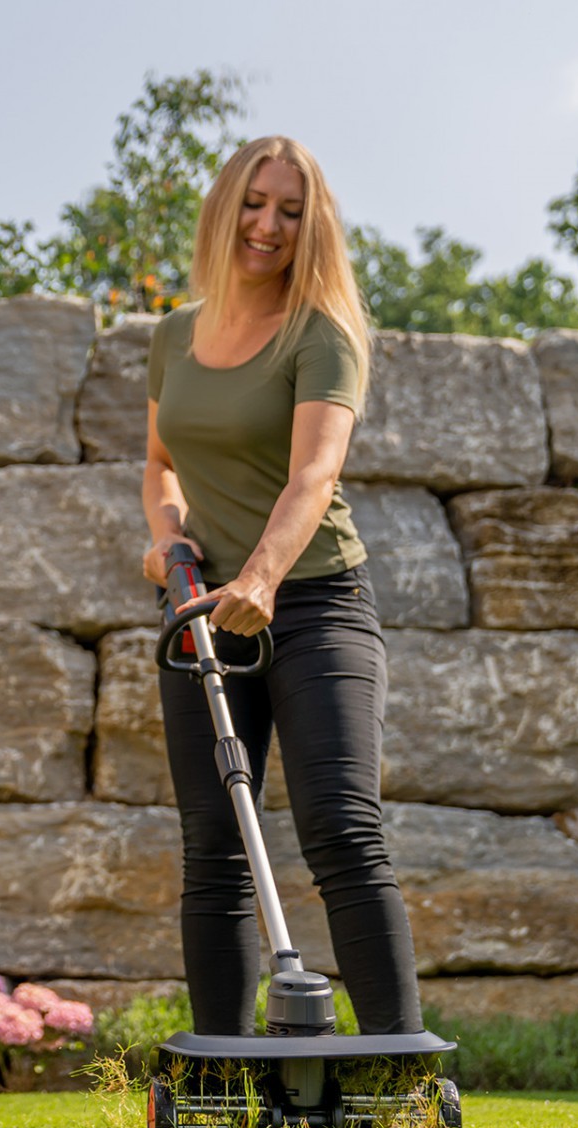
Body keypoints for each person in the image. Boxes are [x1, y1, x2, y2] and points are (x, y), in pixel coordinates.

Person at [141, 135, 423, 1038]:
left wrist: (260, 576)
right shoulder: (174, 334)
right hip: (201, 611)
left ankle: (397, 1064)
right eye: (255, 203)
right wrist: (165, 537)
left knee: (341, 827)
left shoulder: (321, 334)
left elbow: (314, 477)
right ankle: (224, 1072)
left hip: (314, 602)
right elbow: (158, 463)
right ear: (226, 207)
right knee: (215, 849)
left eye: (291, 212)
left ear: (313, 229)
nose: (268, 225)